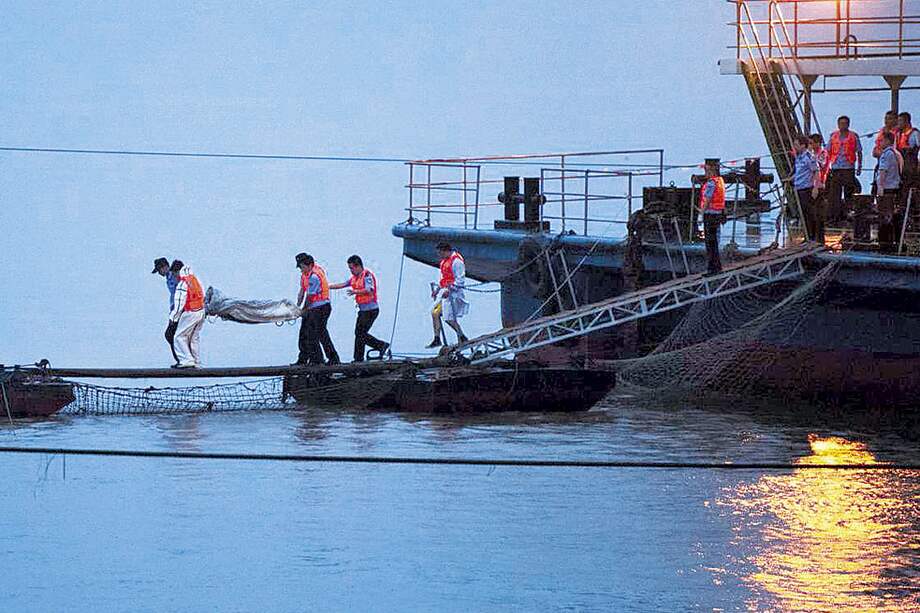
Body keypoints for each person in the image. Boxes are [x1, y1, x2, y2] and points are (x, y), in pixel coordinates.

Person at [329, 255, 390, 362]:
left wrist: (355, 292)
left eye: (352, 268)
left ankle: (378, 347)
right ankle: (364, 355)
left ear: (358, 266)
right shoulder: (354, 278)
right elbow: (343, 284)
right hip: (362, 311)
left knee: (360, 334)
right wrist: (327, 286)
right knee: (359, 334)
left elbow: (369, 290)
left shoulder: (366, 275)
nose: (351, 271)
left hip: (371, 310)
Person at [295, 253, 340, 365]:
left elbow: (310, 297)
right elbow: (302, 291)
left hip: (321, 308)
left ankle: (319, 360)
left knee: (313, 334)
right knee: (305, 333)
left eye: (302, 267)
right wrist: (297, 307)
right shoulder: (305, 274)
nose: (301, 269)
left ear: (310, 265)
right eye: (300, 267)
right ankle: (304, 359)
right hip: (313, 308)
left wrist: (303, 310)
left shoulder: (314, 276)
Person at [427, 241, 469, 347]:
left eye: (440, 253)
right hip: (445, 293)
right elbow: (444, 279)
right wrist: (437, 290)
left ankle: (462, 336)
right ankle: (437, 338)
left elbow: (460, 280)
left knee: (449, 318)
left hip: (454, 294)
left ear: (446, 251)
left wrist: (450, 290)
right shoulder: (444, 262)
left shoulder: (457, 262)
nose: (439, 256)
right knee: (434, 312)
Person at [168, 260, 205, 368]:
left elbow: (179, 303)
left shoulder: (182, 283)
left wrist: (173, 318)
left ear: (176, 272)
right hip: (201, 311)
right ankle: (196, 361)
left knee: (179, 337)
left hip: (190, 312)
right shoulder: (194, 279)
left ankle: (186, 360)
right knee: (194, 337)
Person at [826, 115, 863, 223]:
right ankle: (834, 216)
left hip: (848, 168)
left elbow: (859, 151)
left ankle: (848, 214)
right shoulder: (833, 136)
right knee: (834, 194)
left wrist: (859, 166)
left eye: (844, 123)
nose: (842, 126)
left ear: (848, 124)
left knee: (848, 193)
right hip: (836, 168)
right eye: (840, 123)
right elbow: (828, 152)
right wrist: (827, 167)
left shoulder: (854, 136)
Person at [792, 135, 821, 243]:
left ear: (803, 145)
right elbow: (799, 172)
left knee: (809, 214)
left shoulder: (809, 157)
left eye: (796, 145)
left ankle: (812, 237)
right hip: (798, 187)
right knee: (802, 214)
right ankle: (807, 236)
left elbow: (816, 171)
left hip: (806, 188)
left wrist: (815, 187)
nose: (794, 147)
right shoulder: (798, 157)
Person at [152, 256, 180, 366]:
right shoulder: (168, 279)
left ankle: (183, 360)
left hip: (180, 310)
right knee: (172, 335)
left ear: (165, 267)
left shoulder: (174, 275)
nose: (159, 273)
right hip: (175, 310)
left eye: (159, 270)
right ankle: (181, 360)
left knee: (171, 334)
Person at [698, 160, 725, 274]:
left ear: (711, 171)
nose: (705, 173)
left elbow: (708, 199)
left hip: (710, 214)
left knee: (710, 243)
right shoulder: (720, 181)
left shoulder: (711, 183)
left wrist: (701, 214)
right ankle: (717, 266)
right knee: (714, 241)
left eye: (707, 170)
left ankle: (712, 268)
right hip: (718, 213)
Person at [809, 133, 829, 243]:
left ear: (817, 143)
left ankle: (820, 239)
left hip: (820, 184)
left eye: (812, 143)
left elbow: (821, 165)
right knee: (811, 212)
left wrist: (812, 157)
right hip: (811, 184)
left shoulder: (822, 154)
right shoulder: (811, 154)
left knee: (818, 213)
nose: (810, 146)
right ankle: (811, 237)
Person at [896, 111, 920, 193]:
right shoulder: (898, 134)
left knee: (909, 185)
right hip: (900, 165)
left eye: (900, 121)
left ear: (906, 121)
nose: (898, 123)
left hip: (910, 165)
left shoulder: (915, 133)